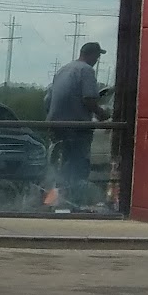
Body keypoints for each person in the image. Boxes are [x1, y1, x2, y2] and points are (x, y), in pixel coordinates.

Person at [43, 42, 110, 209]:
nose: (97, 60)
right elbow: (89, 99)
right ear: (91, 55)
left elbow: (47, 100)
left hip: (56, 126)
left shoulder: (63, 70)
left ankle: (57, 201)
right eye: (97, 56)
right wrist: (102, 114)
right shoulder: (86, 70)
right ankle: (76, 204)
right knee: (78, 167)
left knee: (62, 165)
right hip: (76, 128)